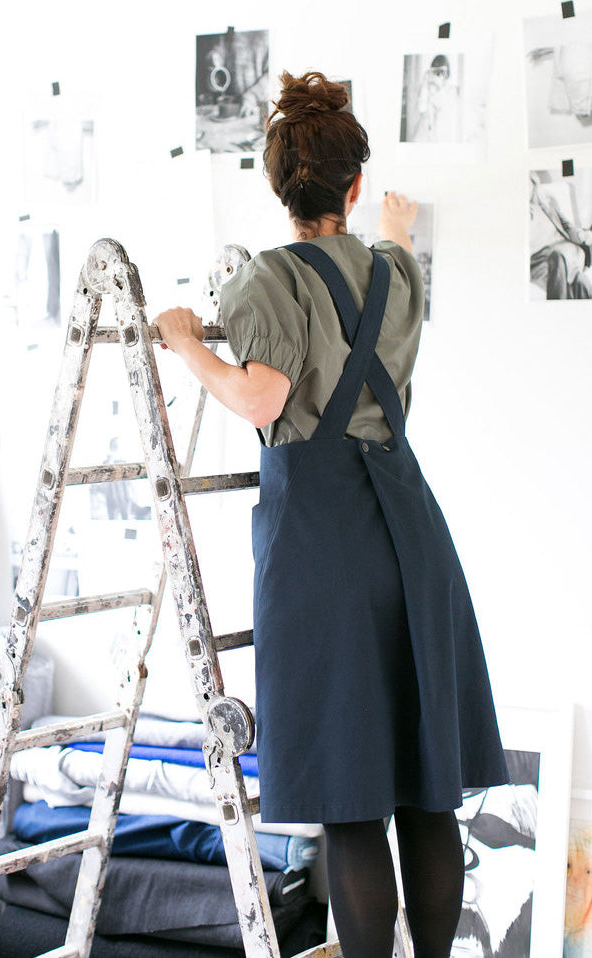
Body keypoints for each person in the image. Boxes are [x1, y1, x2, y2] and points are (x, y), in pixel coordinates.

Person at [156, 70, 509, 958]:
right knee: (427, 795)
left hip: (324, 545)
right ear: (353, 188)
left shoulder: (268, 279)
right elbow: (392, 249)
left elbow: (261, 398)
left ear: (281, 190)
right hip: (413, 536)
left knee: (352, 805)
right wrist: (397, 223)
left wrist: (187, 342)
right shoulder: (396, 273)